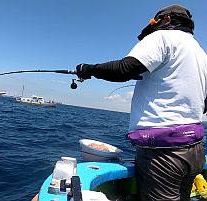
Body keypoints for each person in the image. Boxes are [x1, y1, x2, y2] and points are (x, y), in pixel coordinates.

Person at [75, 4, 207, 201]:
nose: (152, 27)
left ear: (167, 20)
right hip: (195, 151)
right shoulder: (201, 54)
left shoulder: (163, 37)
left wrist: (88, 69)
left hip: (164, 153)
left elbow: (124, 68)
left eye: (154, 22)